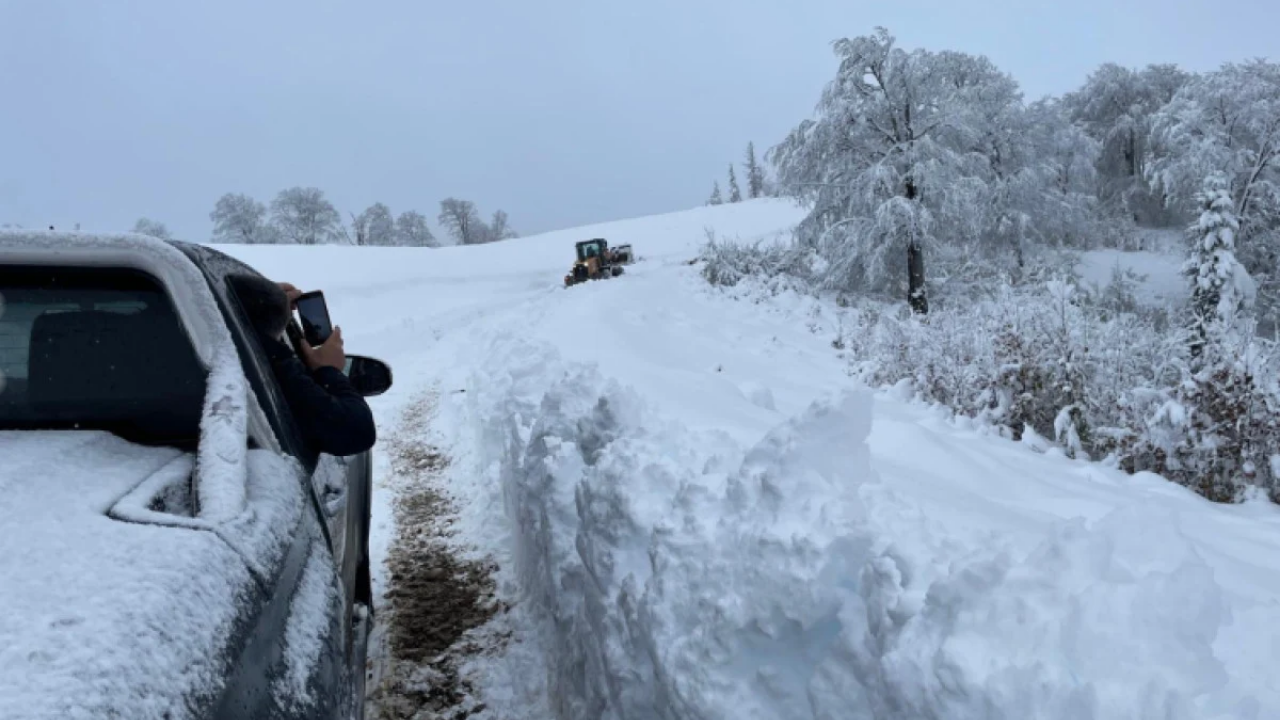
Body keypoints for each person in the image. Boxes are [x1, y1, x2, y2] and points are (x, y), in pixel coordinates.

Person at [229, 273, 376, 457]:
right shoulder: (272, 364)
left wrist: (265, 302)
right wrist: (328, 370)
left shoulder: (228, 350)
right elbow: (357, 432)